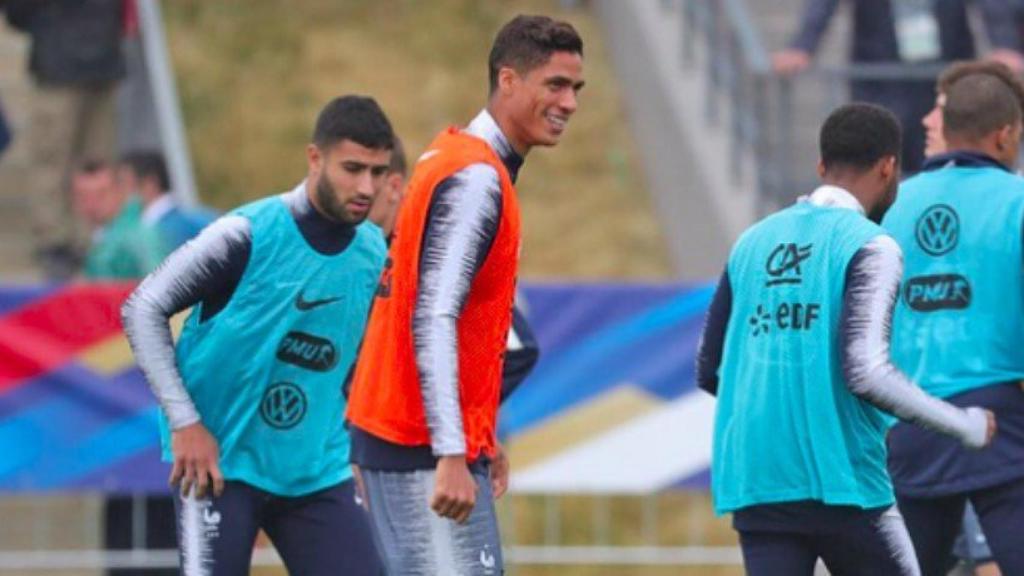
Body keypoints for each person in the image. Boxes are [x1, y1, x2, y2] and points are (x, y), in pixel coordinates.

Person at [696, 102, 995, 576]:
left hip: (758, 481)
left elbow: (710, 367)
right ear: (889, 167)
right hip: (843, 482)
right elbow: (867, 372)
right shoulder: (870, 244)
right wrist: (964, 424)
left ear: (821, 167)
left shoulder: (752, 241)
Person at [346, 14, 583, 575]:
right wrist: (451, 450)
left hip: (411, 435)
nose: (570, 102)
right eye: (555, 84)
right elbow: (432, 315)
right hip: (419, 443)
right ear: (508, 81)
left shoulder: (451, 156)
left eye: (576, 88)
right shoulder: (475, 177)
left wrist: (476, 435)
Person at [121, 95, 393, 575]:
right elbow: (142, 307)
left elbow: (351, 362)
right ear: (315, 158)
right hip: (219, 467)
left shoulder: (373, 251)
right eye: (353, 168)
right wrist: (185, 423)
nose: (366, 186)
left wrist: (355, 446)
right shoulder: (245, 234)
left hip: (316, 471)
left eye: (378, 172)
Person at [883, 69, 1024, 576]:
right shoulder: (1017, 202)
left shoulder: (891, 207)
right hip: (999, 423)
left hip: (911, 422)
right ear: (1005, 134)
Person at [772, 0, 1024, 174]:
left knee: (941, 156)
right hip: (880, 73)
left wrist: (1003, 43)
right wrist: (803, 45)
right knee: (879, 158)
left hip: (941, 75)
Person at [5, 0, 125, 279]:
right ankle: (55, 240)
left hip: (98, 62)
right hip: (60, 63)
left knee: (96, 160)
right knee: (52, 159)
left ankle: (89, 237)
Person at [72, 159, 165, 280]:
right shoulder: (100, 239)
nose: (92, 204)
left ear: (120, 191)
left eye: (101, 194)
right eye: (83, 196)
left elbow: (159, 286)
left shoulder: (139, 237)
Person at [119, 150, 217, 252]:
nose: (122, 192)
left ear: (150, 182)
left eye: (126, 184)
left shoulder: (167, 230)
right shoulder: (198, 217)